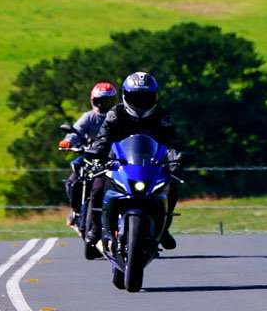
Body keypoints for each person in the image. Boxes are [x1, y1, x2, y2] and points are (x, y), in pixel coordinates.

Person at [83, 71, 184, 252]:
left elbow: (171, 141)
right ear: (126, 96)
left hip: (152, 167)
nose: (141, 102)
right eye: (136, 97)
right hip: (119, 164)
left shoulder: (161, 116)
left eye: (146, 97)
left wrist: (175, 159)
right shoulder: (116, 113)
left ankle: (163, 229)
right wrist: (98, 155)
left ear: (154, 96)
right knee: (97, 186)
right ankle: (95, 227)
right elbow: (103, 138)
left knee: (173, 190)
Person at [59, 82, 117, 228]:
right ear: (93, 101)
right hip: (91, 155)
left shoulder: (119, 115)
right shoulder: (89, 117)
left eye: (107, 101)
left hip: (116, 157)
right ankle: (76, 211)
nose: (104, 104)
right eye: (100, 101)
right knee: (72, 182)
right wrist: (68, 142)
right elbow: (75, 131)